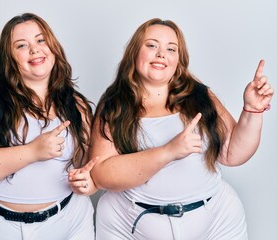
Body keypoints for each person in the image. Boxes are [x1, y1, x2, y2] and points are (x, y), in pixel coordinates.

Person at [90, 18, 274, 240]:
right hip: (129, 223)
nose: (161, 54)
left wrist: (252, 111)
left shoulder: (200, 95)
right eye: (151, 45)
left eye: (171, 49)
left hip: (216, 219)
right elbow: (101, 174)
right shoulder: (114, 104)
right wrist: (169, 151)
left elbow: (232, 154)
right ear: (134, 53)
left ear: (179, 59)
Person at [0, 13, 98, 240]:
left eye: (41, 40)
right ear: (9, 59)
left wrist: (88, 182)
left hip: (66, 223)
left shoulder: (79, 105)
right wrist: (32, 151)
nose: (34, 49)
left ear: (53, 47)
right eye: (22, 45)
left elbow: (88, 168)